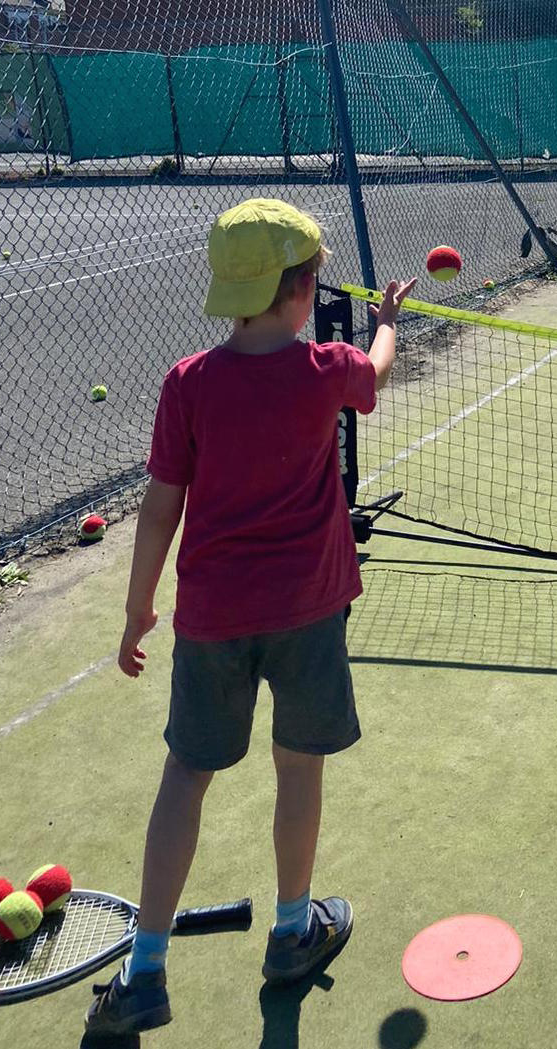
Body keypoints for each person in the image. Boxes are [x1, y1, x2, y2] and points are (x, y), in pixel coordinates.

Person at [85, 198, 416, 1036]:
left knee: (185, 775)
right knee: (297, 769)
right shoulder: (326, 367)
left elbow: (161, 506)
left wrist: (136, 609)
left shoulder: (188, 381)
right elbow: (375, 374)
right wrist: (386, 322)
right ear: (302, 290)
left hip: (210, 619)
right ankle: (291, 928)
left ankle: (145, 969)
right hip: (308, 610)